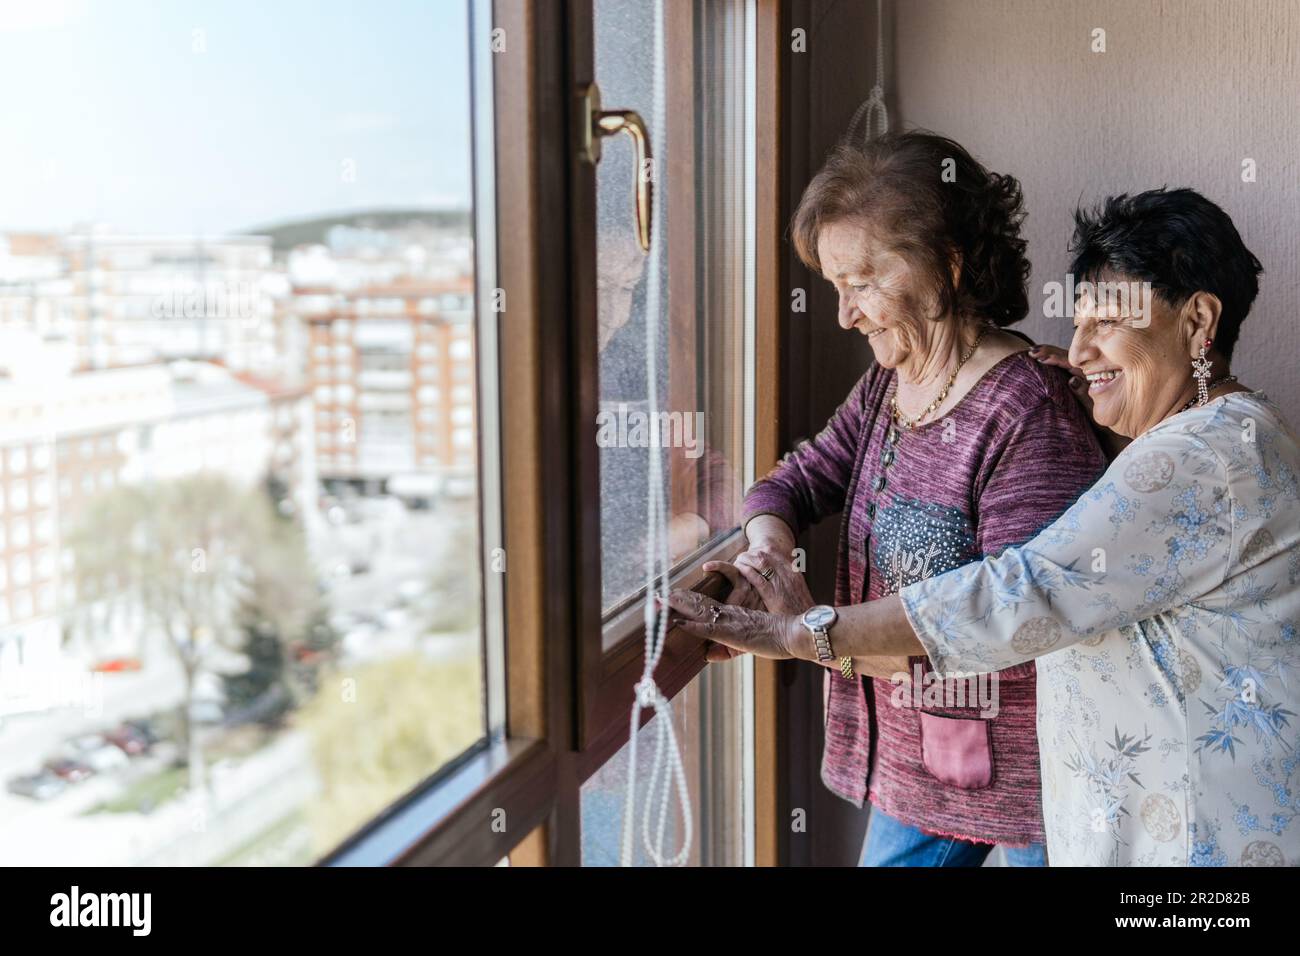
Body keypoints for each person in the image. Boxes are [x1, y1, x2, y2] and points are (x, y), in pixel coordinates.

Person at [671, 187, 1300, 867]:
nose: (1077, 349)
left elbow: (1019, 593)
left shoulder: (1202, 457)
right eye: (1078, 324)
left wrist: (802, 634)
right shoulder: (1204, 442)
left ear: (1198, 319)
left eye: (1105, 324)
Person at [703, 131, 1107, 865]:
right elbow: (793, 481)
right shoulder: (889, 386)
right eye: (833, 286)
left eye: (860, 282)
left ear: (946, 263)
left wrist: (813, 636)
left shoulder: (1027, 413)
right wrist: (767, 549)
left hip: (1026, 786)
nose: (844, 314)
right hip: (914, 770)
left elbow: (1013, 634)